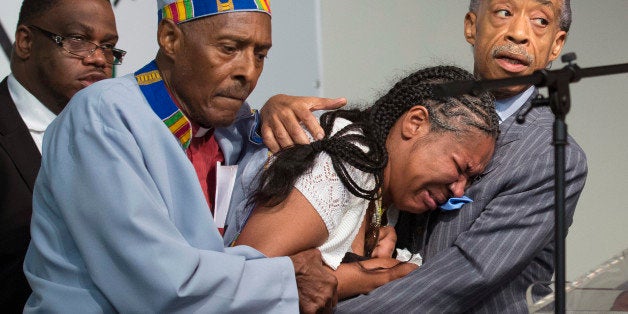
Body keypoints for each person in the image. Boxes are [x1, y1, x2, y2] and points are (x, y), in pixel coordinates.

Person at [261, 0, 588, 312]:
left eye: (540, 20)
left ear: (557, 45)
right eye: (504, 11)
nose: (519, 32)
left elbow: (465, 276)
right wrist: (266, 110)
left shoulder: (549, 155)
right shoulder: (431, 105)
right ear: (472, 26)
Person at [23, 0, 339, 312]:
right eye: (229, 48)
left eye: (260, 55)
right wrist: (284, 279)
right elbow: (155, 284)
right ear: (170, 39)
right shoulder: (103, 115)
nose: (248, 71)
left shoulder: (235, 128)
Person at [230, 65, 501, 300]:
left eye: (470, 179)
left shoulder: (389, 197)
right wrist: (368, 278)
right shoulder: (343, 160)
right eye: (459, 168)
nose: (459, 190)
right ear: (415, 123)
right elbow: (241, 281)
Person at [0, 0, 123, 311]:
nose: (98, 59)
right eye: (78, 41)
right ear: (26, 42)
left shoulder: (121, 136)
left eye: (108, 46)